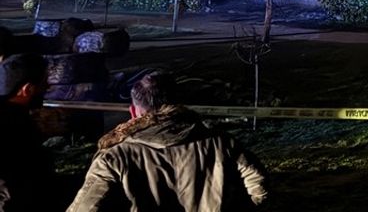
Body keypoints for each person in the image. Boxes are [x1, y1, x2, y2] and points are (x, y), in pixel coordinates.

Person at [66, 71, 269, 211]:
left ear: (134, 111)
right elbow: (260, 188)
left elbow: (86, 207)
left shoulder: (114, 158)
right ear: (178, 105)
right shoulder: (222, 144)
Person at [0, 53, 53, 212]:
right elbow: (10, 188)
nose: (48, 87)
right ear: (27, 89)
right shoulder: (14, 127)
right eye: (44, 83)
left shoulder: (13, 115)